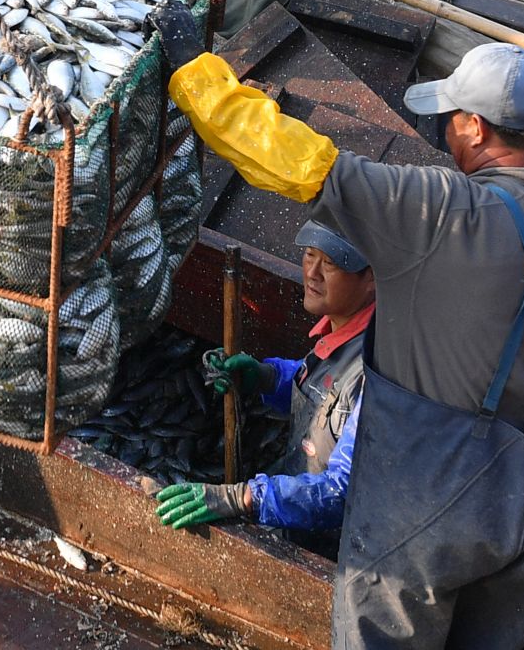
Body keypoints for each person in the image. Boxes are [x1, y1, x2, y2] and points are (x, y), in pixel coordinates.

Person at [150, 6, 524, 650]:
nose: (447, 137)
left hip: (422, 518)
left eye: (450, 123)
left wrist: (194, 73)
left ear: (475, 127)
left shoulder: (437, 206)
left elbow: (297, 162)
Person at [156, 223, 376, 555]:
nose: (312, 273)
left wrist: (243, 497)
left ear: (373, 276)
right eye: (308, 255)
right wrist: (266, 377)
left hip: (341, 553)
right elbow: (323, 393)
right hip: (298, 516)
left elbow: (341, 493)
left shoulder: (377, 373)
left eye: (330, 263)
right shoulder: (344, 325)